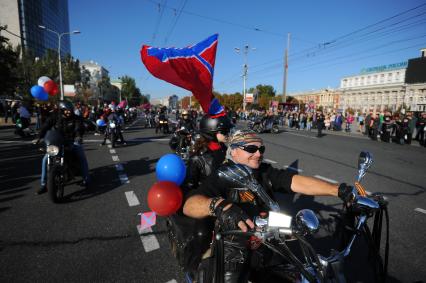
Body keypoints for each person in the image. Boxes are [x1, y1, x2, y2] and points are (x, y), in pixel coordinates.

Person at [183, 130, 356, 283]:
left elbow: (294, 181)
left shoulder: (263, 172)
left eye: (261, 149)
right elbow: (190, 204)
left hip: (269, 245)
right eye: (251, 149)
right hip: (235, 251)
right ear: (234, 151)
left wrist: (338, 190)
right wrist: (218, 206)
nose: (258, 154)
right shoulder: (223, 175)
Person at [167, 114, 233, 278]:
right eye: (224, 130)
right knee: (202, 233)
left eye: (228, 130)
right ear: (211, 132)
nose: (228, 133)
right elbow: (190, 186)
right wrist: (201, 201)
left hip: (229, 198)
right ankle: (193, 267)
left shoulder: (230, 151)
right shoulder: (198, 157)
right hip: (208, 202)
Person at [35, 101, 90, 194]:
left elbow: (78, 128)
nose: (69, 112)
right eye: (66, 110)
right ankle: (43, 185)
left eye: (70, 110)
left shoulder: (75, 119)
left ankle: (86, 179)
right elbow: (45, 127)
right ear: (61, 110)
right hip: (57, 142)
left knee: (81, 156)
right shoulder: (55, 117)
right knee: (45, 159)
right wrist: (39, 137)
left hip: (71, 141)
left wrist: (78, 136)